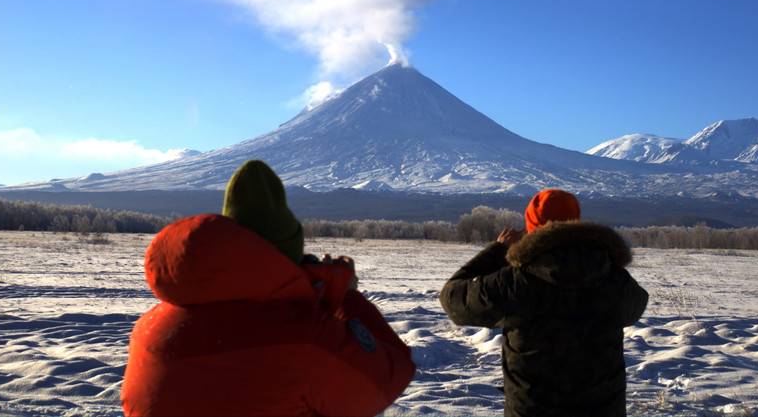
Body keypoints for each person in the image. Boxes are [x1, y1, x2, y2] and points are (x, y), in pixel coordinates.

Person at [121, 159, 416, 417]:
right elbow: (389, 376)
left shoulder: (149, 329)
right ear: (286, 257)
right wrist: (346, 297)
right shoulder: (306, 338)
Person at [439, 189, 648, 417]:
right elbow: (637, 305)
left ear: (531, 228)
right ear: (575, 223)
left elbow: (452, 298)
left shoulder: (514, 284)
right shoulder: (613, 279)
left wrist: (499, 250)